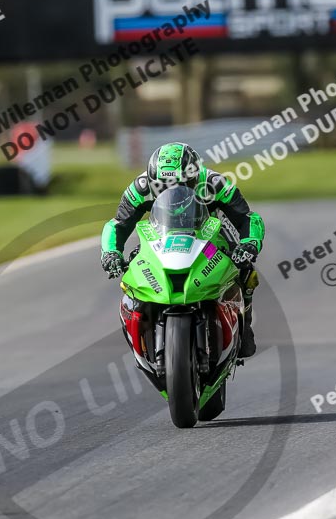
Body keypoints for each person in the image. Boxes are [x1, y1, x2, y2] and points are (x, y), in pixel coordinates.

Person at [100, 142, 265, 357]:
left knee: (244, 267)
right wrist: (110, 252)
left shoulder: (214, 183)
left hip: (207, 233)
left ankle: (245, 326)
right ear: (152, 179)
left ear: (195, 176)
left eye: (181, 183)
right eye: (164, 184)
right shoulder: (141, 188)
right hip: (161, 235)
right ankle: (142, 324)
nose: (173, 189)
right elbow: (117, 225)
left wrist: (250, 243)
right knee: (134, 265)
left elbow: (247, 218)